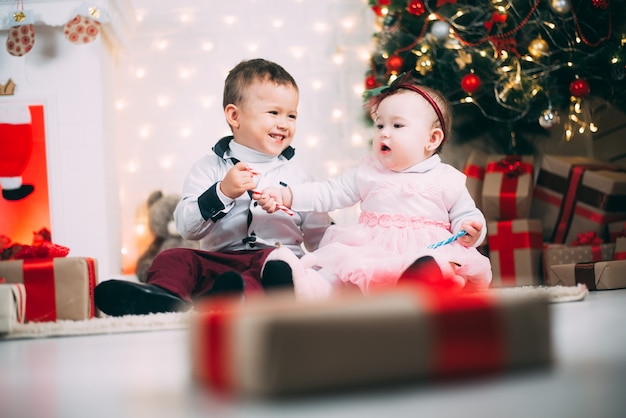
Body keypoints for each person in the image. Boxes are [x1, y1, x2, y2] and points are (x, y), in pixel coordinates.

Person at [95, 58, 331, 316]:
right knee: (172, 257)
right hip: (219, 262)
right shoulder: (208, 168)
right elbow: (186, 227)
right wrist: (221, 193)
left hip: (273, 263)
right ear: (234, 115)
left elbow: (320, 235)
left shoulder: (300, 177)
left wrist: (342, 261)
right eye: (274, 113)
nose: (284, 123)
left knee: (272, 270)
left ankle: (231, 300)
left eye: (292, 115)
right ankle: (163, 297)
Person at [256, 73, 492, 296]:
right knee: (340, 274)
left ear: (432, 139)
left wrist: (472, 228)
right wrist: (287, 194)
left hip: (426, 252)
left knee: (438, 267)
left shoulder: (446, 178)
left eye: (397, 126)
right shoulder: (368, 173)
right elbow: (329, 192)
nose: (384, 133)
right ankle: (305, 289)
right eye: (380, 126)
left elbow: (467, 214)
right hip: (370, 251)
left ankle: (419, 285)